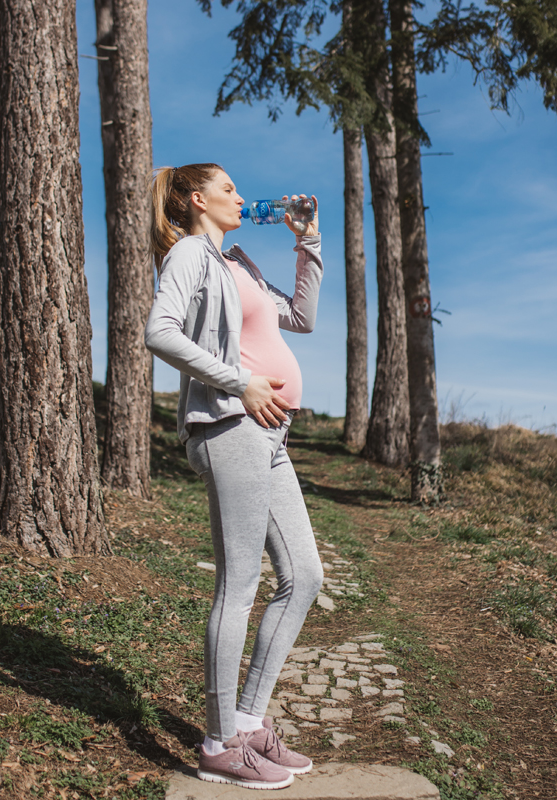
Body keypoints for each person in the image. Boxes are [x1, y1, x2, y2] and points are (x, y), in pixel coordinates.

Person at [144, 163, 324, 790]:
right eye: (227, 189)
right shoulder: (191, 254)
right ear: (196, 201)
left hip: (271, 434)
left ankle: (248, 721)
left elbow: (300, 317)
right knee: (240, 585)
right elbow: (158, 332)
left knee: (304, 576)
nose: (241, 197)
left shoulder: (237, 261)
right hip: (230, 426)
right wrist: (239, 382)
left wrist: (309, 243)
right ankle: (219, 742)